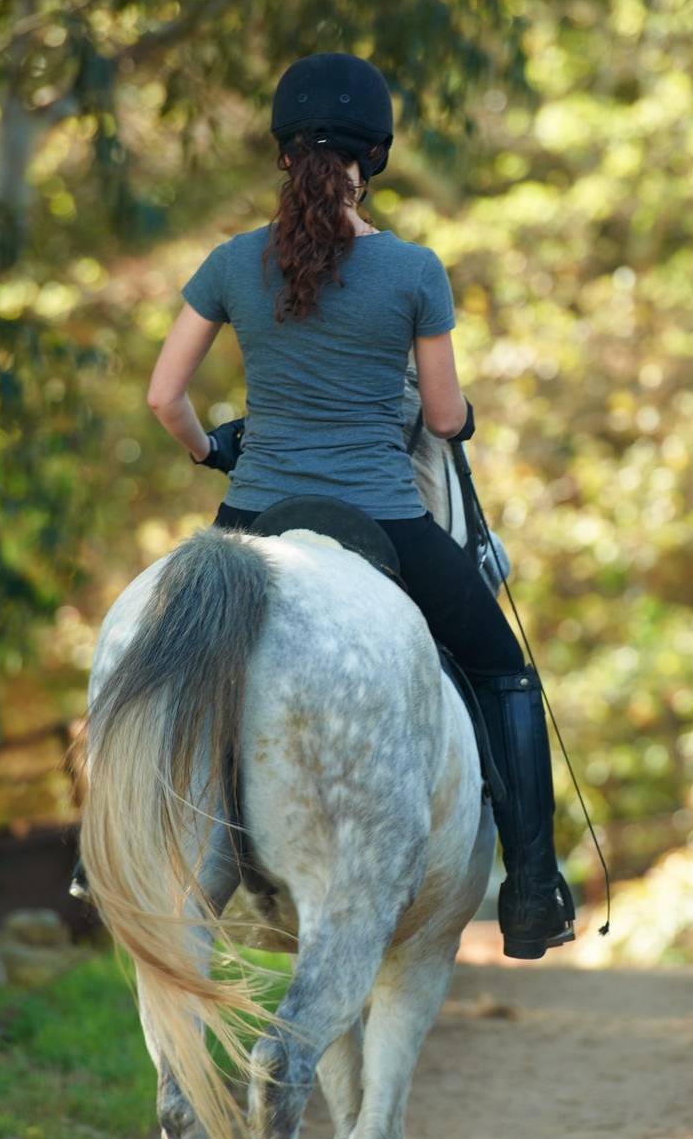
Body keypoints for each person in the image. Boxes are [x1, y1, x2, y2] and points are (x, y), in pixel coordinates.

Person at [144, 52, 575, 959]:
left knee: (161, 662)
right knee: (503, 667)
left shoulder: (230, 264)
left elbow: (163, 396)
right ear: (371, 157)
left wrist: (210, 447)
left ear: (282, 152)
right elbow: (448, 416)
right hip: (385, 517)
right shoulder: (415, 270)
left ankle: (98, 850)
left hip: (255, 517)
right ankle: (534, 885)